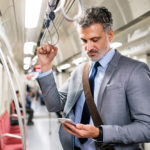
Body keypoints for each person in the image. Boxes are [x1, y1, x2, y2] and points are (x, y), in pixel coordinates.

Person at [37, 7, 150, 150]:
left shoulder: (134, 71)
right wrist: (46, 67)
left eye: (94, 40)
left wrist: (100, 133)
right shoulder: (79, 72)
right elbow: (54, 105)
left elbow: (147, 127)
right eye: (84, 40)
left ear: (110, 35)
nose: (89, 47)